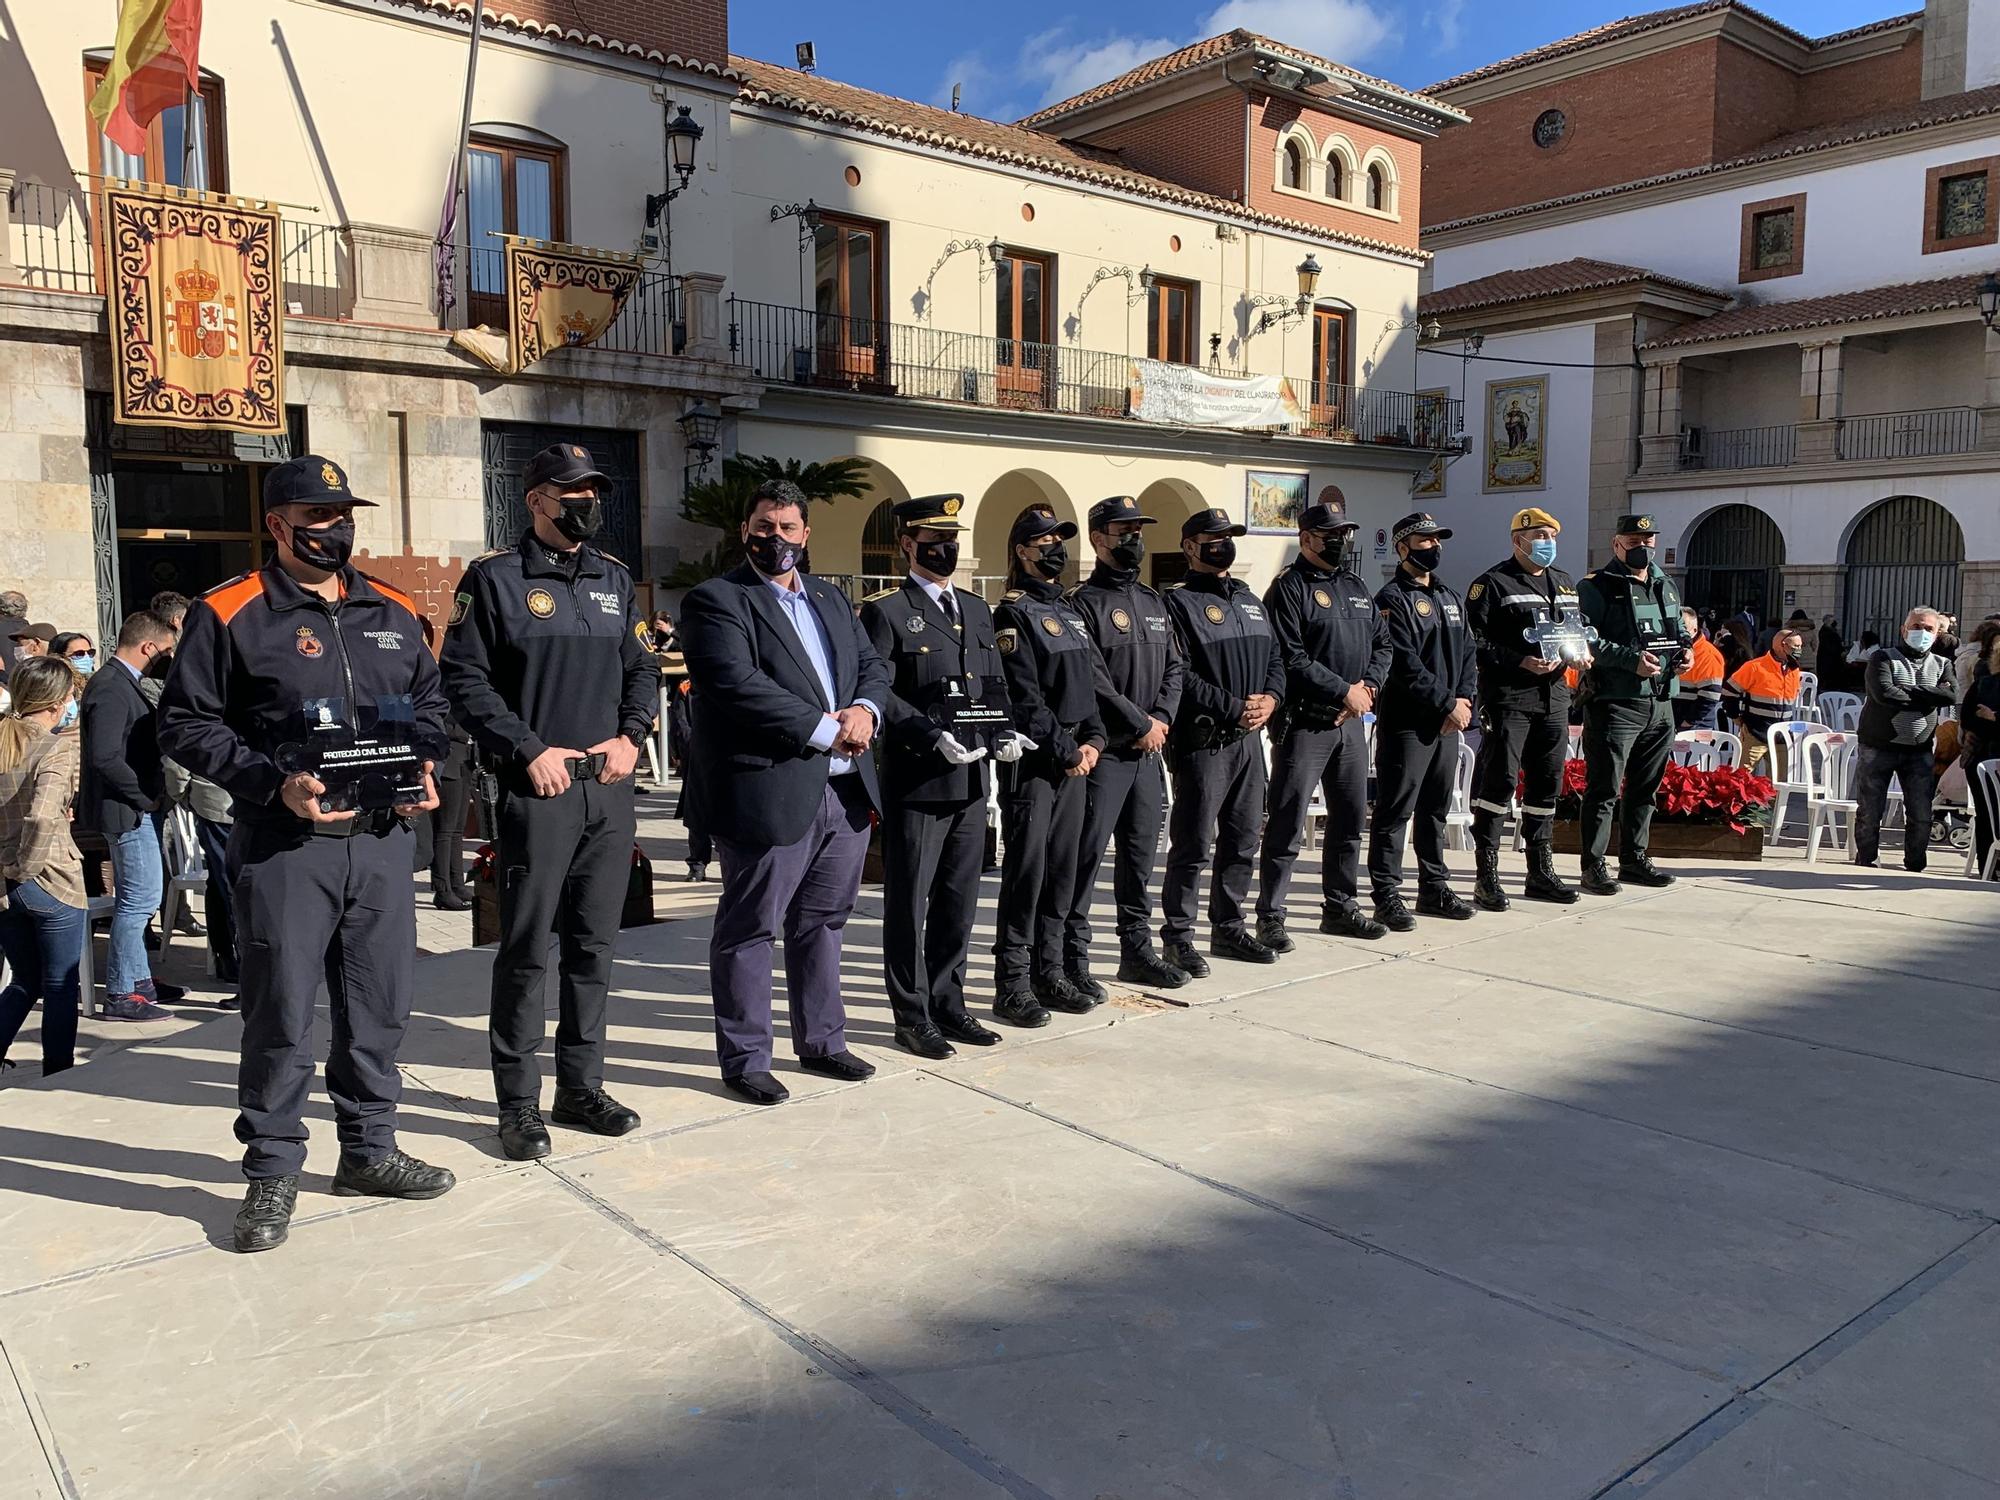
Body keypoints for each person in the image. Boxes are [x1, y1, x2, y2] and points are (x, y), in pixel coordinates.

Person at [158, 454, 455, 1254]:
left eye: (344, 516)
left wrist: (424, 760)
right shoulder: (230, 612)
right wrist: (270, 781)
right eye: (319, 519)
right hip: (288, 847)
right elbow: (185, 723)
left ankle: (369, 1151)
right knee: (282, 1013)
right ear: (279, 525)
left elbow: (430, 705)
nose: (336, 530)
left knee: (378, 1006)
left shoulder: (390, 609)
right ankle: (273, 1171)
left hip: (383, 844)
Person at [440, 443, 656, 1158]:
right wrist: (528, 749)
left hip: (608, 788)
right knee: (528, 952)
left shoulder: (613, 580)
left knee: (595, 948)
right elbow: (464, 683)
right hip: (540, 791)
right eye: (572, 492)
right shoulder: (495, 579)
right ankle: (519, 1104)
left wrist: (632, 736)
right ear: (536, 500)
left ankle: (580, 1086)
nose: (587, 502)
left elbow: (640, 668)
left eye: (593, 490)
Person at [677, 478, 888, 1105]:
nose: (777, 539)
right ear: (746, 531)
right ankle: (745, 1059)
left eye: (788, 528)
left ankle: (823, 1041)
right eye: (765, 527)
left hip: (844, 793)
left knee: (823, 921)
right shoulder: (717, 599)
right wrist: (828, 730)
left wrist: (866, 710)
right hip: (767, 789)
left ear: (805, 533)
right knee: (750, 928)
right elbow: (733, 683)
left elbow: (872, 665)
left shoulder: (829, 597)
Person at [861, 495, 1017, 1057]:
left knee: (959, 899)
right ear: (908, 544)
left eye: (953, 539)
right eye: (934, 541)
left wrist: (1003, 731)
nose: (947, 549)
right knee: (910, 902)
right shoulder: (886, 610)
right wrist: (929, 735)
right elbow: (877, 690)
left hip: (973, 781)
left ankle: (951, 1003)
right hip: (919, 781)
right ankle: (912, 1012)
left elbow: (993, 684)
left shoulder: (977, 609)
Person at [1063, 496, 1190, 984]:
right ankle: (1072, 958)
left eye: (1139, 529)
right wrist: (1139, 725)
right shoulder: (1083, 604)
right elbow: (1095, 680)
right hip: (1107, 755)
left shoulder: (1153, 600)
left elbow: (1175, 667)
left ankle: (1135, 951)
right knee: (1086, 860)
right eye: (1123, 530)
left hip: (1148, 756)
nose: (1134, 539)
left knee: (1139, 859)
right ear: (1098, 539)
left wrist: (1160, 719)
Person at [1256, 497, 1391, 943]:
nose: (1339, 541)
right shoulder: (1289, 587)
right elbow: (1290, 657)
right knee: (1287, 822)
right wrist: (1344, 690)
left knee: (1350, 820)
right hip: (1306, 725)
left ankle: (1340, 906)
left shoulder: (1355, 584)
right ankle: (1271, 915)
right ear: (1306, 538)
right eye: (1331, 534)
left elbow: (1383, 643)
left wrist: (1368, 687)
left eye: (1344, 534)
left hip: (1351, 723)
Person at [992, 509, 1106, 1023]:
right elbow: (1025, 698)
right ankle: (1012, 983)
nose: (1055, 548)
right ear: (1021, 552)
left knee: (1063, 873)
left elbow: (1093, 685)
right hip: (1038, 765)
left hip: (1078, 761)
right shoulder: (1012, 613)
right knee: (1028, 875)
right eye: (1042, 541)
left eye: (1059, 540)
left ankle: (1050, 972)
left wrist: (1096, 741)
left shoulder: (1070, 611)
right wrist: (1067, 751)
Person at [1161, 506, 1286, 968]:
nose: (1223, 545)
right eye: (1213, 538)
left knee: (1242, 838)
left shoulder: (1250, 599)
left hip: (1250, 742)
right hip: (1205, 740)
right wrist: (1233, 707)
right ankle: (1178, 936)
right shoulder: (1176, 602)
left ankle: (1229, 927)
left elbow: (1276, 659)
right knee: (1193, 843)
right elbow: (1180, 674)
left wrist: (1271, 698)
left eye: (1228, 536)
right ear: (1190, 547)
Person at [1465, 506, 1583, 911]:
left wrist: (1579, 654)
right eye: (1539, 538)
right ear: (1518, 541)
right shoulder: (1492, 584)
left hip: (1554, 698)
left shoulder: (1565, 583)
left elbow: (1574, 631)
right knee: (1498, 783)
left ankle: (1540, 871)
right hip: (1510, 698)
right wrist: (1518, 659)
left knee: (1546, 785)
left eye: (1552, 537)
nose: (1547, 544)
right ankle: (1487, 875)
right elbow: (1473, 640)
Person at [1367, 512, 1477, 929]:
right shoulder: (1391, 600)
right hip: (1410, 723)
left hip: (1449, 722)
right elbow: (1403, 664)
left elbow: (1468, 653)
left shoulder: (1450, 596)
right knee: (1396, 810)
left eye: (1436, 541)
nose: (1433, 547)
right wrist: (1446, 703)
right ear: (1402, 548)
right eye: (1424, 541)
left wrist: (1463, 701)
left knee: (1435, 809)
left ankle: (1434, 887)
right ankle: (1387, 893)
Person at [1575, 514, 1693, 894]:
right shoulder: (1597, 586)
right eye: (1633, 540)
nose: (1642, 546)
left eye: (1648, 539)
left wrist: (1685, 653)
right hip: (1616, 702)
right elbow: (1585, 640)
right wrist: (1630, 661)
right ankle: (1593, 865)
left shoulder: (1665, 583)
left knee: (1646, 788)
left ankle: (1634, 859)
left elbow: (1675, 631)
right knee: (1604, 788)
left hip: (1660, 701)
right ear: (1617, 544)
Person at [76, 610, 178, 1021]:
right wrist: (143, 797)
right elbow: (104, 756)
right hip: (126, 810)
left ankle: (140, 982)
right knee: (137, 902)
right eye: (166, 651)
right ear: (149, 647)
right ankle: (121, 992)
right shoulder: (112, 687)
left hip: (136, 807)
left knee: (145, 897)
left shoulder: (121, 684)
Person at [0, 657, 86, 1076]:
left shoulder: (5, 737)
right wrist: (24, 866)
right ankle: (59, 1070)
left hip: (6, 880)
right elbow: (41, 816)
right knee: (59, 983)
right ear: (57, 700)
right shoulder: (54, 746)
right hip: (47, 876)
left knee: (23, 978)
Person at [1854, 606, 1956, 872]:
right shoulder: (1882, 658)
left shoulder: (1943, 664)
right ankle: (1866, 861)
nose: (1921, 633)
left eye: (1928, 629)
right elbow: (1884, 694)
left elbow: (1950, 696)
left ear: (1937, 635)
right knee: (1869, 810)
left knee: (1921, 814)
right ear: (1904, 629)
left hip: (1919, 750)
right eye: (1916, 627)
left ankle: (1915, 864)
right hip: (1878, 746)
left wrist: (1908, 690)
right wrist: (1930, 695)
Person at [411, 617, 474, 911]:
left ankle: (457, 883)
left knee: (458, 826)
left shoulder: (445, 670)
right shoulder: (435, 676)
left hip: (463, 754)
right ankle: (442, 888)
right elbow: (437, 718)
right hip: (445, 757)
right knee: (445, 829)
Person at [1725, 626, 1804, 775]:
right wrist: (1735, 716)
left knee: (1779, 780)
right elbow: (1729, 691)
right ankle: (1740, 799)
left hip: (1782, 734)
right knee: (1742, 775)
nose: (1799, 650)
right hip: (1755, 732)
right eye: (1796, 646)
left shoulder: (1793, 669)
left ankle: (1773, 800)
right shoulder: (1755, 667)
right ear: (1783, 645)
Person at [1962, 629, 2000, 877]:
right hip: (1984, 760)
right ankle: (1990, 868)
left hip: (1983, 759)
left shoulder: (1985, 684)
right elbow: (1968, 718)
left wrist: (1994, 717)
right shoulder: (1985, 684)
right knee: (1988, 817)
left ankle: (1989, 869)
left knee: (1989, 817)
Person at [1675, 608, 1726, 731]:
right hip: (1678, 722)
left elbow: (1710, 696)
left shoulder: (1707, 654)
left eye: (1683, 627)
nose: (1678, 632)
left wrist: (1687, 723)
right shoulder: (1676, 650)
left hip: (1694, 726)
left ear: (1694, 630)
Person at [1817, 614, 1846, 689]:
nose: (1833, 622)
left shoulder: (1832, 630)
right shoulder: (1825, 631)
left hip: (1833, 656)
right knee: (1826, 672)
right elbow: (1828, 644)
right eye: (1831, 620)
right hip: (1828, 656)